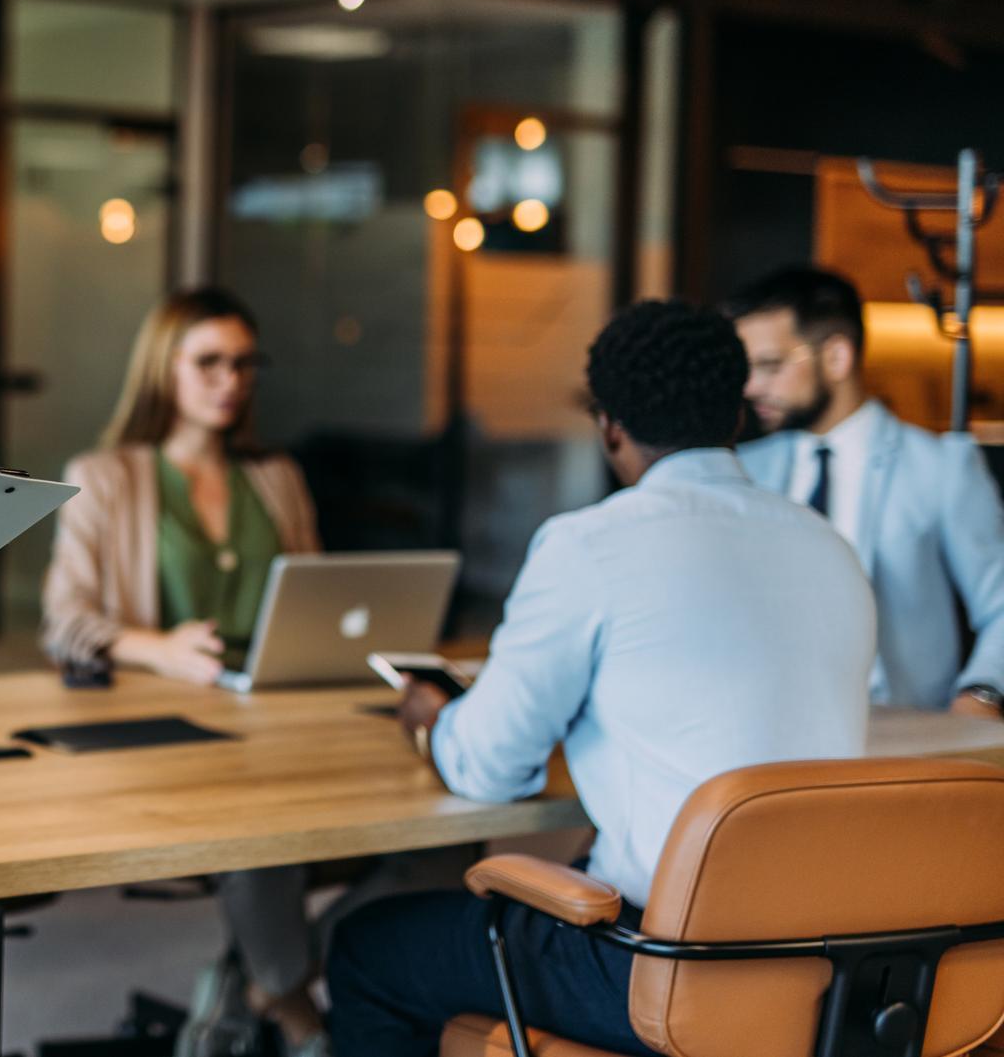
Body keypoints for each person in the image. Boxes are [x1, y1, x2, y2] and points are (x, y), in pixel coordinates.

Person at [326, 300, 874, 1057]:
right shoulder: (831, 550)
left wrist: (433, 720)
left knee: (369, 946)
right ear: (737, 416)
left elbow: (487, 767)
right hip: (829, 971)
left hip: (666, 968)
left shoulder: (590, 545)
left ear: (610, 425)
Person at [41, 288, 328, 1056]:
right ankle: (292, 998)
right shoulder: (107, 476)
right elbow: (64, 621)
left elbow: (318, 601)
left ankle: (271, 975)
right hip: (176, 728)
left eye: (243, 363)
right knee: (261, 819)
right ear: (164, 370)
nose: (230, 380)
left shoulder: (277, 478)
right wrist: (156, 646)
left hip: (277, 711)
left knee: (444, 819)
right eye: (209, 362)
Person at [728, 265, 1004, 716]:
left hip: (903, 743)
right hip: (770, 735)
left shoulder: (941, 467)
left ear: (836, 357)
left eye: (770, 366)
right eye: (747, 370)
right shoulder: (742, 471)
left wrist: (981, 695)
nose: (751, 387)